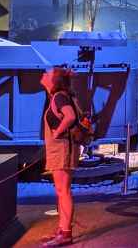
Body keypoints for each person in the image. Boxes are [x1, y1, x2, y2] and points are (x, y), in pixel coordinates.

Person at [40, 67, 80, 247]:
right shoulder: (58, 96)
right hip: (60, 149)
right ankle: (62, 229)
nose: (44, 74)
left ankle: (65, 234)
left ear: (54, 80)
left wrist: (57, 133)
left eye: (47, 74)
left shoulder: (59, 97)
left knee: (63, 191)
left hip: (62, 149)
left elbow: (70, 117)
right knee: (61, 191)